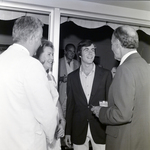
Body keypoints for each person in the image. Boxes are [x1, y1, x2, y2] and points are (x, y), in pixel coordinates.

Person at [0, 16, 58, 150]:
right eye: (39, 39)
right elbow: (46, 113)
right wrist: (50, 139)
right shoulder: (32, 65)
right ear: (32, 38)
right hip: (27, 144)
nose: (39, 44)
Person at [91, 25, 150, 150]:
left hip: (125, 141)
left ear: (117, 43)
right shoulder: (144, 65)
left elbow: (123, 114)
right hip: (140, 140)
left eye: (112, 43)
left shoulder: (125, 69)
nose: (111, 48)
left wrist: (100, 111)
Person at [65, 40, 112, 150]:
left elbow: (110, 103)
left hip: (100, 128)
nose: (90, 53)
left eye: (92, 50)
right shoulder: (72, 77)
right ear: (79, 54)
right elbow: (70, 106)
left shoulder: (106, 74)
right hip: (78, 129)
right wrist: (68, 131)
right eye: (86, 50)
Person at [35, 39, 66, 150]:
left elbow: (56, 101)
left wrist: (62, 121)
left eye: (53, 55)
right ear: (38, 55)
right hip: (41, 132)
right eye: (49, 54)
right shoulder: (34, 77)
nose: (52, 58)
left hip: (54, 131)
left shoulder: (51, 77)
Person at [58, 43, 80, 118]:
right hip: (62, 95)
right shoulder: (58, 62)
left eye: (74, 52)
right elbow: (52, 78)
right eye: (70, 51)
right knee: (60, 118)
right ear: (65, 51)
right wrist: (61, 78)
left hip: (73, 95)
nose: (72, 53)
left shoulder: (77, 64)